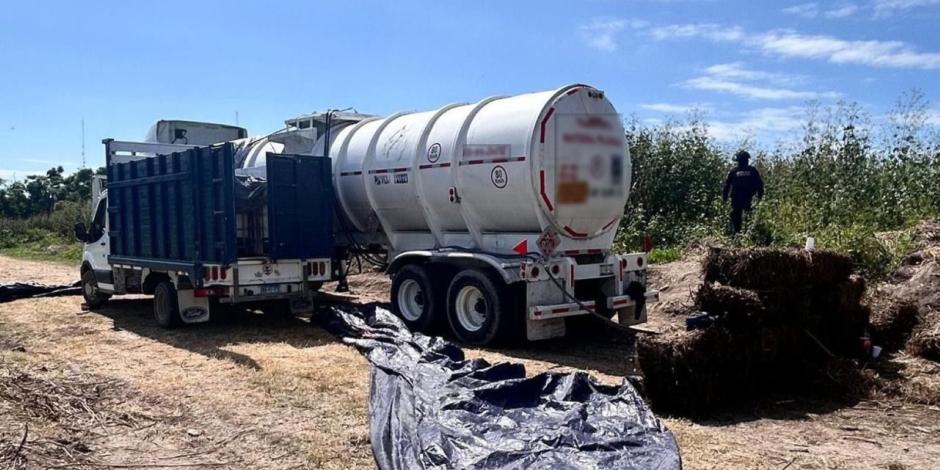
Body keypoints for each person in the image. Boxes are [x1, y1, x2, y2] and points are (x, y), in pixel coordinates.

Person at [722, 150, 764, 234]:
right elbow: (760, 184)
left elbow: (727, 185)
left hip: (737, 197)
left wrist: (725, 197)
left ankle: (737, 234)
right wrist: (760, 196)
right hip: (747, 196)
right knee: (748, 215)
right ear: (747, 160)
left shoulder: (734, 171)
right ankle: (747, 233)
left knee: (737, 216)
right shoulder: (752, 170)